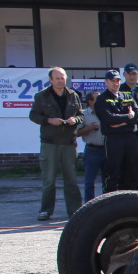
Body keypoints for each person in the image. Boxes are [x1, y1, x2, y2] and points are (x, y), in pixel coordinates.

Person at [29, 67, 84, 220]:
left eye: (63, 78)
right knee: (49, 178)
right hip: (50, 143)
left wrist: (76, 120)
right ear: (51, 80)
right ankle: (46, 210)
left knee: (71, 178)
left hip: (69, 142)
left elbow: (81, 114)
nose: (61, 81)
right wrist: (48, 120)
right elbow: (33, 115)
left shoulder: (73, 95)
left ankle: (74, 210)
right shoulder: (42, 96)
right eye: (57, 78)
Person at [96, 68, 138, 195]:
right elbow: (109, 119)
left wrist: (120, 122)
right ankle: (110, 202)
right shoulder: (102, 99)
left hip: (130, 138)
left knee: (131, 170)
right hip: (113, 139)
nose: (116, 83)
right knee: (113, 171)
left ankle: (130, 201)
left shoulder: (126, 96)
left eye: (118, 81)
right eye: (113, 81)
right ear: (106, 82)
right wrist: (128, 117)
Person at [77, 91, 106, 202]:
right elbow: (77, 133)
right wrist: (89, 127)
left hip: (107, 150)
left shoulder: (105, 112)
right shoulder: (84, 114)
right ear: (90, 101)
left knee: (107, 181)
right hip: (92, 150)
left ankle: (107, 205)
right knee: (89, 181)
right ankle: (89, 205)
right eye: (97, 99)